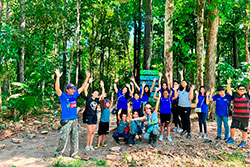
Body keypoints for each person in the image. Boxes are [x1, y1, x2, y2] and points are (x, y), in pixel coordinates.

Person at [54, 69, 89, 157]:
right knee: (63, 138)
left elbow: (82, 87)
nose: (74, 90)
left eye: (74, 89)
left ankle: (74, 154)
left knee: (75, 137)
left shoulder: (74, 95)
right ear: (67, 90)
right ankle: (58, 154)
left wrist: (87, 77)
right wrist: (58, 77)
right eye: (72, 89)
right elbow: (57, 88)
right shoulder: (63, 96)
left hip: (74, 119)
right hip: (66, 120)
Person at [226, 79, 250, 147]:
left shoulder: (247, 95)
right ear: (238, 90)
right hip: (236, 115)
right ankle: (232, 138)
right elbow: (229, 91)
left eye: (243, 89)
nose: (242, 90)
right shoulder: (235, 95)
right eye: (240, 89)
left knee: (244, 129)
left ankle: (243, 141)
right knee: (233, 127)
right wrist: (228, 83)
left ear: (245, 90)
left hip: (245, 116)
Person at [82, 79, 105, 151]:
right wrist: (89, 82)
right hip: (88, 116)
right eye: (95, 93)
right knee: (89, 132)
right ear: (92, 94)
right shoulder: (88, 98)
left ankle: (91, 145)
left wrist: (102, 87)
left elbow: (103, 95)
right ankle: (87, 145)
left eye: (97, 94)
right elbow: (85, 89)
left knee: (93, 132)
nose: (96, 94)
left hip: (94, 116)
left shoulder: (96, 100)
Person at [178, 70, 195, 139]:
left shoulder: (189, 90)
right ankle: (184, 130)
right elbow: (182, 81)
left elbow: (191, 98)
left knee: (187, 119)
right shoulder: (180, 90)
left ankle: (189, 132)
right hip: (180, 106)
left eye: (184, 83)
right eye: (182, 83)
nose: (182, 83)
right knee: (182, 119)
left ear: (187, 84)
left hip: (187, 107)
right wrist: (181, 74)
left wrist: (192, 90)